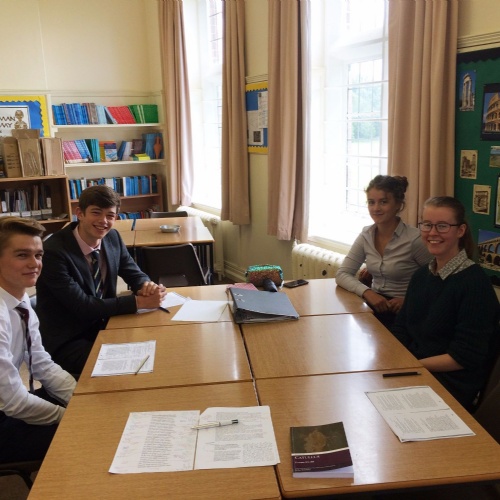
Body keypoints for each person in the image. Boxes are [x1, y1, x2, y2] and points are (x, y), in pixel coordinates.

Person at [36, 185, 167, 376]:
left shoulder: (112, 237)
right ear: (79, 213)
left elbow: (133, 272)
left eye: (110, 215)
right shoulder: (54, 252)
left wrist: (146, 286)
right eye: (96, 213)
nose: (103, 221)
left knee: (157, 348)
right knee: (129, 366)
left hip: (105, 324)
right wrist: (138, 302)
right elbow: (83, 306)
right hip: (70, 338)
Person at [391, 196, 500, 411]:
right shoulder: (421, 276)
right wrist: (390, 360)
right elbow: (401, 328)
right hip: (415, 369)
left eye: (442, 226)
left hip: (449, 384)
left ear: (460, 230)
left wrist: (410, 365)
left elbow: (463, 357)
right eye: (427, 224)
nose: (432, 233)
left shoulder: (474, 284)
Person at [0, 216, 76, 463]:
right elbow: (13, 402)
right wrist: (70, 417)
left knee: (95, 404)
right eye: (22, 255)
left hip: (8, 403)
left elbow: (41, 362)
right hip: (4, 413)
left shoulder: (20, 299)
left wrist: (79, 399)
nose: (35, 264)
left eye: (39, 255)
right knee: (84, 437)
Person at [336, 175, 431, 327]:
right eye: (371, 202)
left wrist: (409, 300)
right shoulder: (366, 235)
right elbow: (342, 274)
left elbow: (438, 281)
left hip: (405, 312)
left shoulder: (414, 239)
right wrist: (367, 292)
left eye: (383, 202)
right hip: (374, 306)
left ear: (398, 204)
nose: (376, 208)